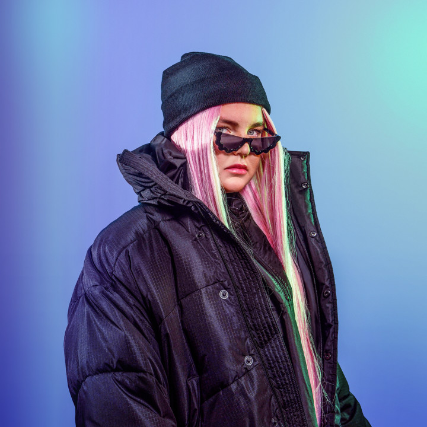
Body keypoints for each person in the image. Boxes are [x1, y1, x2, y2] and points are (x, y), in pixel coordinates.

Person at [64, 52, 371, 427]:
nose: (244, 148)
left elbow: (326, 385)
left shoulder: (279, 238)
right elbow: (118, 403)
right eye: (225, 133)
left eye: (256, 135)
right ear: (189, 136)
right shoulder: (124, 255)